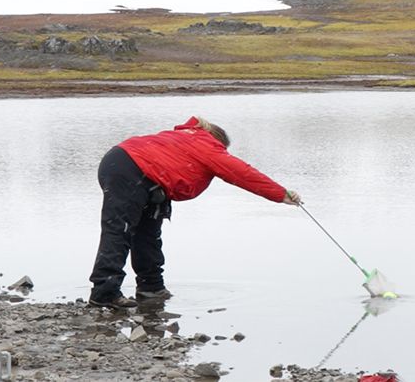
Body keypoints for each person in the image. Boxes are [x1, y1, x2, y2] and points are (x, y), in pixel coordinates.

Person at [88, 116, 300, 309]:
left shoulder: (185, 137)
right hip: (129, 169)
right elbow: (242, 173)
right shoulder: (205, 144)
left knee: (147, 234)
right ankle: (104, 293)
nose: (222, 151)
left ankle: (151, 288)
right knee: (119, 231)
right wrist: (281, 194)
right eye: (223, 148)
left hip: (136, 172)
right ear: (217, 140)